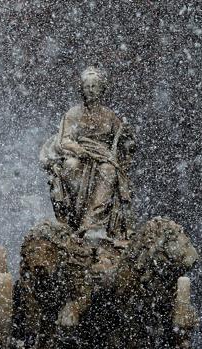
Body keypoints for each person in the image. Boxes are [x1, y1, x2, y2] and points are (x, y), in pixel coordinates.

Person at [40, 67, 135, 240]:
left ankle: (92, 224)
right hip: (80, 155)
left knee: (108, 171)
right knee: (70, 166)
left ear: (101, 89)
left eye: (94, 86)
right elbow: (64, 140)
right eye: (87, 86)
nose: (91, 90)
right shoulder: (73, 114)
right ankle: (74, 219)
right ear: (82, 89)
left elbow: (123, 142)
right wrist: (79, 150)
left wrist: (127, 138)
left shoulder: (110, 116)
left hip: (103, 157)